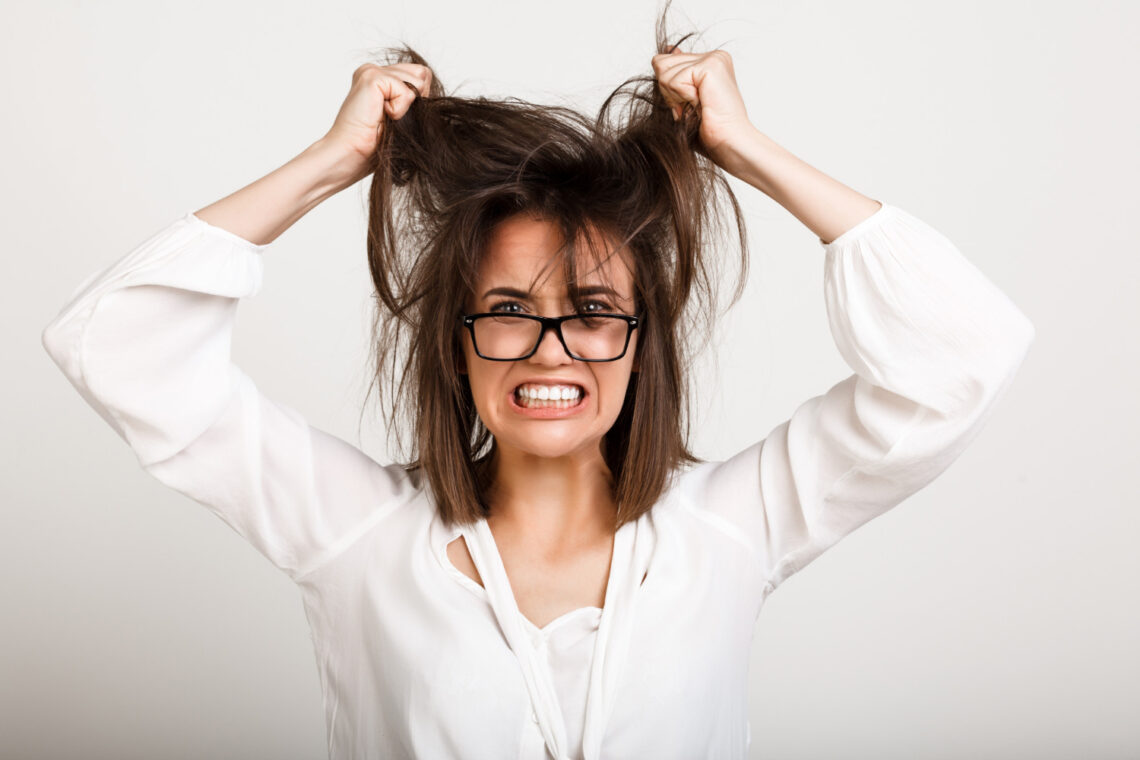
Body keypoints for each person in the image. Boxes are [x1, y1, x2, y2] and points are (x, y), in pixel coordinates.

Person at [41, 16, 1035, 760]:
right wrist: (331, 163)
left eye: (595, 310)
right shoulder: (356, 531)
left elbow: (963, 357)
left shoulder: (732, 525)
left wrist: (748, 153)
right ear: (457, 342)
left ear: (641, 345)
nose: (550, 350)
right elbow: (117, 344)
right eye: (510, 309)